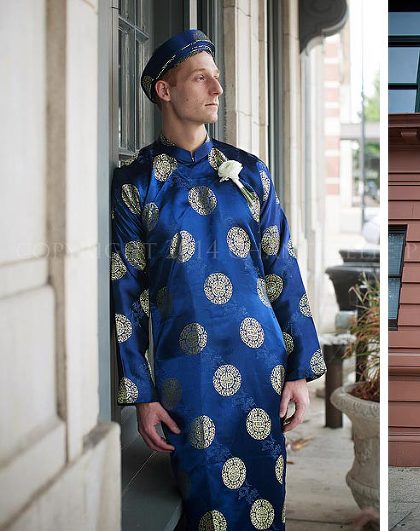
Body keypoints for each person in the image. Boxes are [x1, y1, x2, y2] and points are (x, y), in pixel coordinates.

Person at [110, 29, 326, 530]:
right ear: (164, 90)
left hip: (261, 365)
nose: (217, 90)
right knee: (207, 502)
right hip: (188, 374)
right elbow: (126, 295)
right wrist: (142, 394)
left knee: (263, 500)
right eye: (201, 78)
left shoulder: (250, 173)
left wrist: (298, 371)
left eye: (219, 79)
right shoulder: (137, 184)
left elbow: (283, 272)